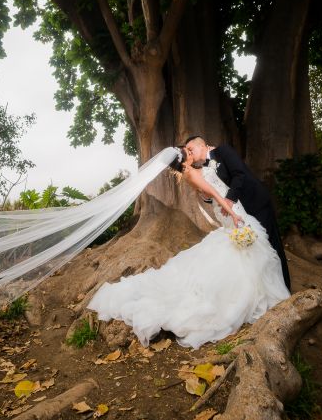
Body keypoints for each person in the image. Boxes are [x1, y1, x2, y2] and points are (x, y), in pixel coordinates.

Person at [87, 147, 291, 349]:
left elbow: (208, 193)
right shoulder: (192, 172)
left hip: (226, 209)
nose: (191, 151)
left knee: (245, 249)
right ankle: (249, 295)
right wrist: (233, 213)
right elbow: (214, 194)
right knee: (246, 248)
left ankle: (256, 291)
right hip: (230, 208)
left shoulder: (190, 172)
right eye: (188, 151)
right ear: (184, 159)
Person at [184, 136, 291, 290]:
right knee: (255, 248)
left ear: (201, 146)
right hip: (239, 212)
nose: (190, 154)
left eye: (191, 149)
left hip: (255, 202)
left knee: (271, 245)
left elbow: (239, 174)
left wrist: (229, 200)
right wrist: (206, 197)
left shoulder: (223, 150)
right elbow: (213, 193)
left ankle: (285, 287)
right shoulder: (201, 169)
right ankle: (265, 288)